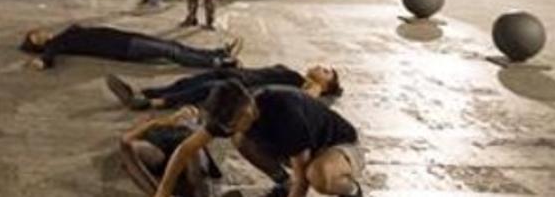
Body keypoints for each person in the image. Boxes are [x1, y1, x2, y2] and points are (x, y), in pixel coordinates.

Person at [154, 81, 365, 197]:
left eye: (234, 123)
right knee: (240, 139)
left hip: (339, 147)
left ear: (248, 111)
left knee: (317, 176)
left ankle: (352, 191)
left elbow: (302, 182)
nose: (228, 129)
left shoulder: (285, 112)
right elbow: (185, 149)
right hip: (298, 147)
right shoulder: (229, 111)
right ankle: (283, 184)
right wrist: (162, 191)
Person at [105, 63, 342, 111]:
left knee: (204, 87)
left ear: (326, 83)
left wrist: (319, 87)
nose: (321, 66)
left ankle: (149, 103)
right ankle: (142, 93)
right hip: (236, 74)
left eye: (326, 71)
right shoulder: (293, 74)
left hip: (238, 87)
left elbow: (309, 99)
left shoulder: (302, 86)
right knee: (187, 82)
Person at [18, 24, 240, 70]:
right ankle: (215, 63)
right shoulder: (57, 42)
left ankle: (217, 53)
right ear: (38, 42)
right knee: (170, 52)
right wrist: (41, 62)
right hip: (124, 48)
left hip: (124, 37)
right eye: (35, 35)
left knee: (173, 45)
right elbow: (50, 56)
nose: (39, 30)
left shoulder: (60, 36)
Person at [118, 106, 219, 197]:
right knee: (127, 148)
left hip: (187, 155)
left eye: (192, 112)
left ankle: (200, 192)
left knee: (192, 148)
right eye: (184, 110)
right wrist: (155, 123)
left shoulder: (196, 130)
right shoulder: (157, 126)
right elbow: (126, 139)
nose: (187, 113)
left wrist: (192, 125)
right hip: (160, 153)